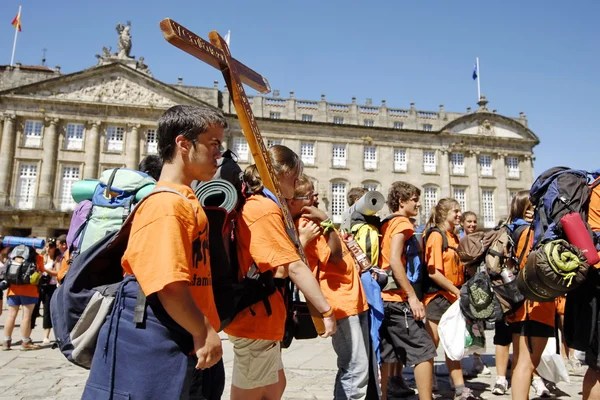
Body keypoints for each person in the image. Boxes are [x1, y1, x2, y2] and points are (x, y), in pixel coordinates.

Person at [83, 105, 226, 399]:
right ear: (183, 144)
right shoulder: (167, 205)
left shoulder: (186, 201)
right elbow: (169, 285)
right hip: (165, 342)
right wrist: (203, 331)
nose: (219, 154)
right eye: (213, 144)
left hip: (184, 340)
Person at [224, 145, 336, 400]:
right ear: (283, 172)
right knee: (252, 394)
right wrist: (326, 311)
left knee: (275, 387)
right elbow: (291, 266)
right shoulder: (262, 208)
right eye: (296, 174)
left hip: (265, 318)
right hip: (255, 318)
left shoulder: (267, 206)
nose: (298, 180)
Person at [287, 175, 371, 399]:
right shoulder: (308, 223)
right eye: (309, 195)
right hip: (340, 301)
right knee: (356, 369)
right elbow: (333, 257)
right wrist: (326, 221)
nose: (316, 197)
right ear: (294, 201)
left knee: (352, 366)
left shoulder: (311, 221)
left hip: (351, 299)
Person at [379, 181, 436, 400]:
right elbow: (395, 260)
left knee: (388, 353)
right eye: (414, 199)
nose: (418, 204)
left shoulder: (386, 223)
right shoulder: (403, 223)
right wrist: (412, 297)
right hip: (396, 298)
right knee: (425, 350)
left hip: (382, 297)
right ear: (402, 202)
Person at [423, 198, 475, 400]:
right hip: (437, 297)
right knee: (431, 345)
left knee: (454, 345)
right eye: (456, 211)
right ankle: (427, 385)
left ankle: (460, 388)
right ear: (445, 214)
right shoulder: (437, 236)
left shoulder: (453, 237)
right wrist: (456, 290)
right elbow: (433, 272)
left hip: (452, 296)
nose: (459, 214)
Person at [504, 191, 554, 399]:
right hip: (536, 302)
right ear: (520, 209)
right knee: (528, 362)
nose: (533, 212)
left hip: (520, 301)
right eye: (528, 208)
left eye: (535, 207)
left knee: (521, 361)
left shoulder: (512, 230)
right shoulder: (531, 232)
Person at [2, 243, 45, 351]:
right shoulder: (38, 257)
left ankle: (6, 342)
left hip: (13, 290)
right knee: (26, 316)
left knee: (11, 315)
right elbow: (41, 271)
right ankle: (25, 342)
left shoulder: (13, 256)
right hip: (29, 291)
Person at [41, 238, 60, 344]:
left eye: (51, 247)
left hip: (51, 287)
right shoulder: (43, 257)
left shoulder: (57, 259)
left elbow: (57, 272)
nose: (48, 249)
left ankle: (46, 335)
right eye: (47, 246)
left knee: (48, 311)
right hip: (41, 286)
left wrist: (45, 269)